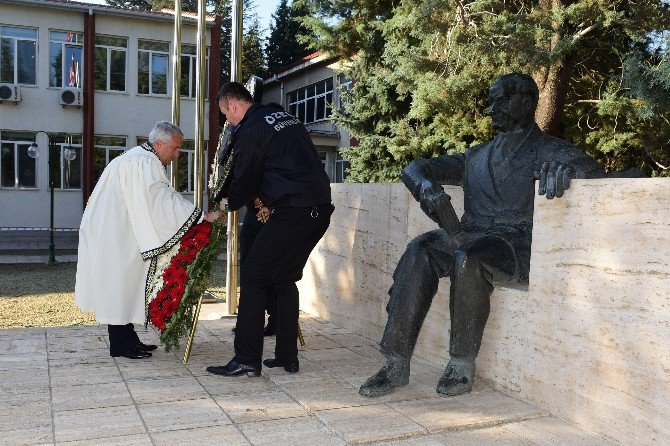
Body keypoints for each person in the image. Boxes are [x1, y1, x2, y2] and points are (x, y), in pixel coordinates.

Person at [359, 73, 605, 397]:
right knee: (421, 248)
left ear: (527, 101)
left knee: (468, 259)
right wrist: (426, 188)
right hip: (470, 233)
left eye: (502, 99)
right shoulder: (475, 156)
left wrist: (570, 172)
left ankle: (461, 361)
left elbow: (598, 173)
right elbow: (414, 168)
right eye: (491, 100)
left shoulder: (548, 150)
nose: (492, 107)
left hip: (513, 243)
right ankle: (396, 361)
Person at [206, 82, 333, 377]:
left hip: (294, 211)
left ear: (233, 106)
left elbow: (245, 179)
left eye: (226, 115)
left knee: (254, 275)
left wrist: (223, 209)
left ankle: (247, 358)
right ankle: (288, 357)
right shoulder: (288, 120)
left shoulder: (250, 129)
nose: (228, 122)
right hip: (320, 210)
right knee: (285, 279)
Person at [75, 121, 221, 359]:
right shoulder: (144, 162)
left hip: (118, 231)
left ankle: (128, 339)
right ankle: (122, 346)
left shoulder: (137, 158)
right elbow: (159, 201)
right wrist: (202, 216)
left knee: (125, 286)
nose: (176, 154)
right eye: (174, 148)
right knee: (121, 287)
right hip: (118, 235)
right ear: (159, 143)